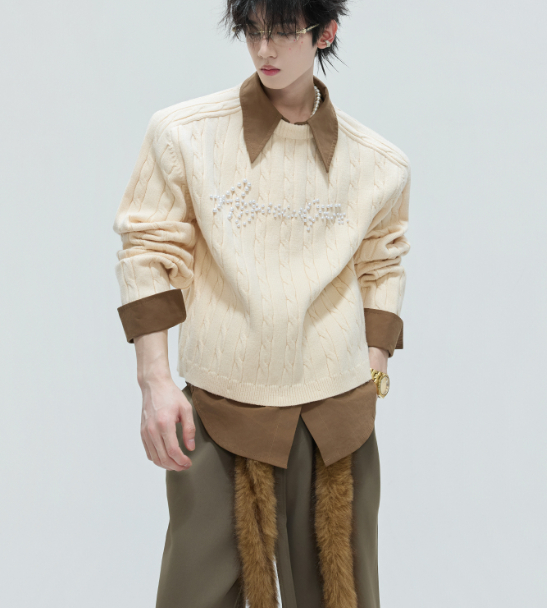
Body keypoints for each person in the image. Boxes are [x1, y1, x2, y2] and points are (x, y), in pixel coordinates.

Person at [112, 1, 411, 606]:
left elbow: (382, 264)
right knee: (194, 594)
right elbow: (148, 248)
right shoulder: (185, 134)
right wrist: (155, 382)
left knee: (340, 595)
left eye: (283, 31)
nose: (264, 49)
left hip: (334, 420)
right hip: (219, 407)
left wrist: (374, 368)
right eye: (251, 30)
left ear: (326, 32)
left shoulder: (379, 163)